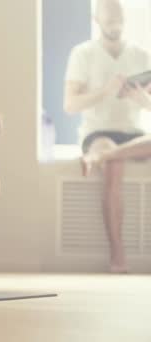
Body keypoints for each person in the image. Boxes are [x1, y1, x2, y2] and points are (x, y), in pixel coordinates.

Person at [63, 0, 151, 273]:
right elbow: (70, 105)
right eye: (109, 16)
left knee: (112, 156)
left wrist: (143, 100)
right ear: (97, 18)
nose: (115, 21)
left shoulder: (141, 54)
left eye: (118, 16)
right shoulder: (83, 53)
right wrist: (105, 91)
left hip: (133, 133)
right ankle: (118, 254)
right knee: (114, 165)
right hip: (98, 131)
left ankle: (102, 157)